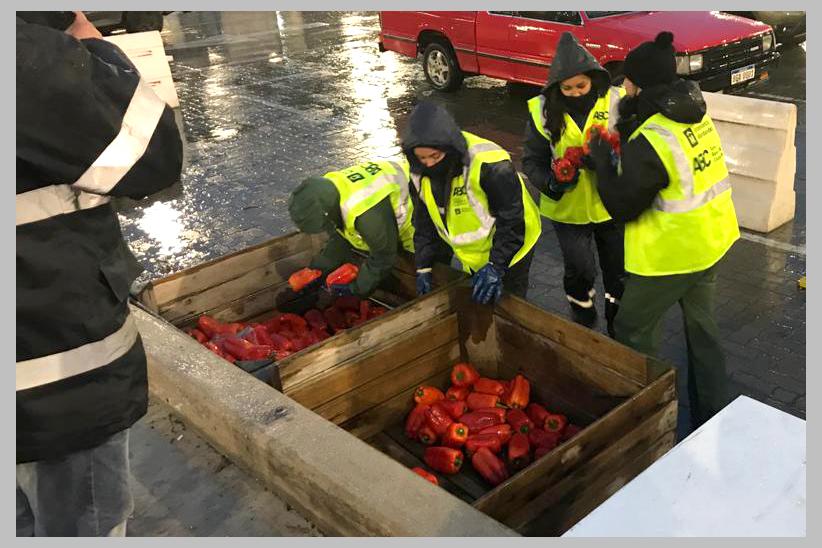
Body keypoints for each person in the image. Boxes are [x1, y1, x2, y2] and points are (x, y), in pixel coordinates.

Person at [16, 12, 183, 536]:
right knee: (86, 521)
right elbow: (153, 152)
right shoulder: (23, 57)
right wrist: (91, 44)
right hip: (56, 384)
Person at [587, 31, 739, 428]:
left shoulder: (654, 138)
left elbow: (622, 204)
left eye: (627, 80)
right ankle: (712, 416)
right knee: (703, 331)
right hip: (711, 242)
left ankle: (647, 419)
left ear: (641, 84)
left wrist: (603, 162)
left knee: (634, 329)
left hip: (671, 256)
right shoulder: (692, 113)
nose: (623, 86)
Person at [522, 31, 626, 336]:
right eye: (567, 88)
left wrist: (608, 164)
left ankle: (617, 324)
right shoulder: (540, 111)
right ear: (556, 87)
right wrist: (553, 182)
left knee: (617, 271)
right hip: (567, 211)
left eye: (581, 85)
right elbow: (532, 161)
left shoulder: (616, 102)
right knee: (580, 270)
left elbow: (634, 149)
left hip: (611, 207)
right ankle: (582, 316)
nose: (576, 93)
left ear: (593, 78)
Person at [402, 101, 542, 305]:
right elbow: (424, 220)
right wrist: (423, 265)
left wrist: (497, 265)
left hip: (513, 248)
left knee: (510, 305)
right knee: (482, 303)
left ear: (449, 149)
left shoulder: (490, 165)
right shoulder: (418, 171)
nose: (429, 164)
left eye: (435, 156)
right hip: (474, 255)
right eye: (422, 158)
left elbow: (511, 221)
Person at [288, 159, 415, 298]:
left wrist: (356, 290)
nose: (324, 229)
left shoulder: (366, 213)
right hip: (399, 187)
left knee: (425, 262)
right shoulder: (327, 190)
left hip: (421, 207)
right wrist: (316, 270)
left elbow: (384, 256)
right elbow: (340, 236)